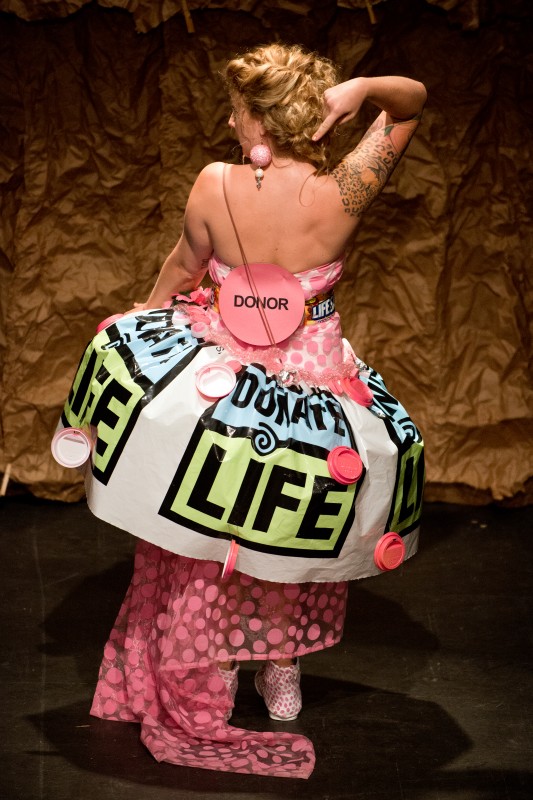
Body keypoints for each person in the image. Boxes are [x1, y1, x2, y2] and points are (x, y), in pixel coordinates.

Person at [58, 44, 426, 779]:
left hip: (221, 380)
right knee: (286, 520)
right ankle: (279, 670)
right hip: (312, 382)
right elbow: (410, 99)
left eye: (237, 107)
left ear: (261, 118)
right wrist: (359, 89)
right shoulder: (346, 187)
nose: (228, 118)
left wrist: (144, 322)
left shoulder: (214, 182)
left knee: (211, 516)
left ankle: (213, 663)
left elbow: (179, 269)